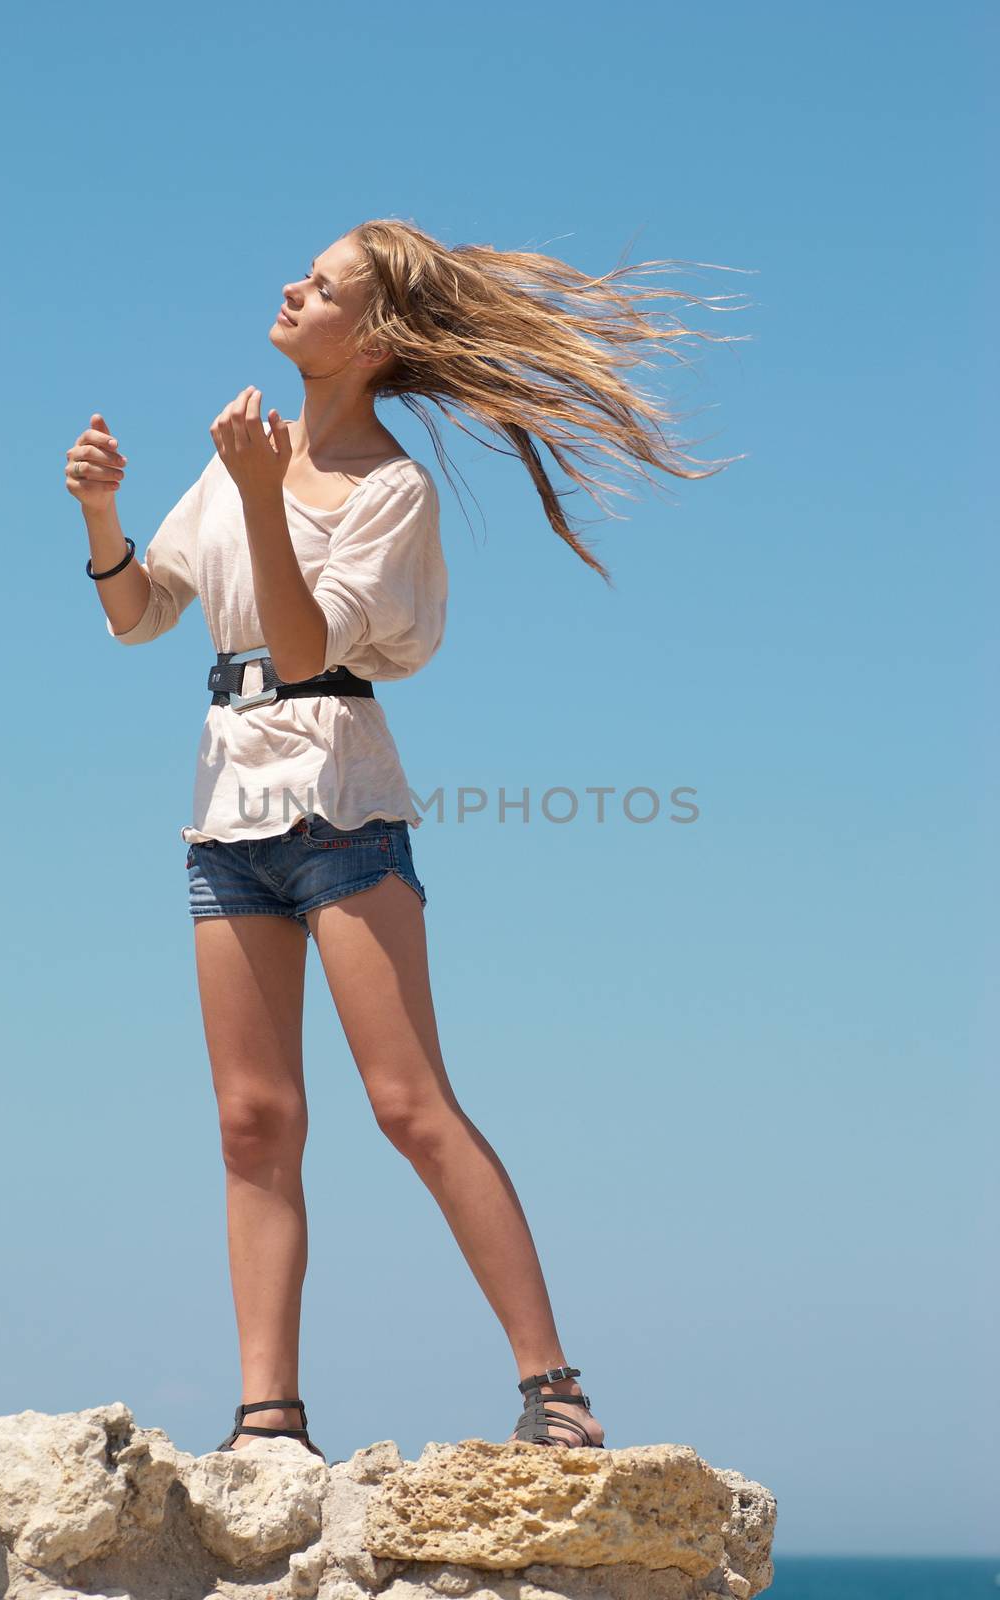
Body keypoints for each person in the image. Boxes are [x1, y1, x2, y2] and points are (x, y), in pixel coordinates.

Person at [65, 218, 748, 1463]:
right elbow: (140, 616)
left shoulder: (389, 487)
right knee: (252, 1121)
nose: (289, 285)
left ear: (372, 338)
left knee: (408, 1103)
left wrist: (269, 497)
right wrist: (106, 517)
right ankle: (269, 1418)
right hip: (227, 808)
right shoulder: (238, 460)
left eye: (319, 285)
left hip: (341, 799)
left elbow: (306, 645)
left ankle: (555, 1389)